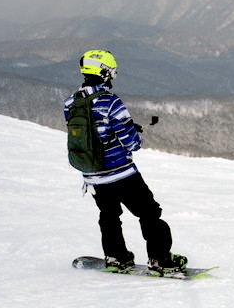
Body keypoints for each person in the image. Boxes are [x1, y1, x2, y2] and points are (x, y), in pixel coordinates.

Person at [63, 49, 188, 274]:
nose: (112, 76)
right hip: (121, 173)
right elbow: (131, 143)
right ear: (103, 73)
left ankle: (116, 257)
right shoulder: (111, 102)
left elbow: (91, 134)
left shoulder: (71, 103)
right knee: (149, 212)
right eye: (111, 72)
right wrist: (133, 132)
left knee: (109, 215)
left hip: (93, 174)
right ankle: (160, 259)